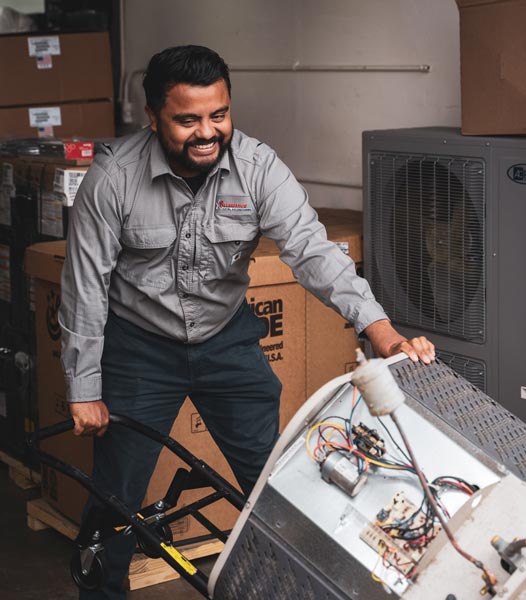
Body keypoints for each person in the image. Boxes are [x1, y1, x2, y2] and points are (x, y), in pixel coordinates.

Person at [59, 45, 435, 599]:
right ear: (153, 117)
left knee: (277, 480)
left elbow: (313, 251)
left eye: (219, 115)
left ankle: (300, 587)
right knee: (116, 493)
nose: (207, 132)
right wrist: (83, 386)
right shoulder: (113, 179)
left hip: (225, 340)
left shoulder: (259, 168)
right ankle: (100, 588)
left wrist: (378, 329)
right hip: (138, 347)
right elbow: (85, 287)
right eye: (187, 120)